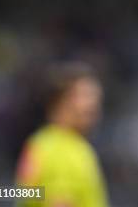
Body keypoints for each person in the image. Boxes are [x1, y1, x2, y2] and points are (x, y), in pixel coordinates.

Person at [16, 61, 109, 207]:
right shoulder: (66, 150)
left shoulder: (39, 144)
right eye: (85, 96)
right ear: (59, 101)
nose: (94, 105)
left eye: (96, 97)